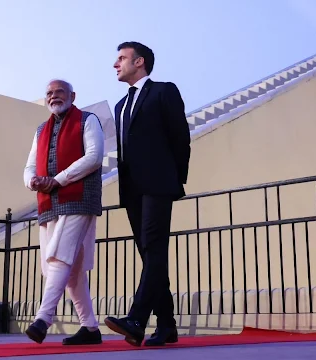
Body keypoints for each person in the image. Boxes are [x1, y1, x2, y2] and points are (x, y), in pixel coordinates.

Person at [103, 41, 191, 347]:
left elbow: (180, 137)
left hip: (158, 184)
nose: (116, 64)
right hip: (132, 191)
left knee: (153, 248)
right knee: (151, 255)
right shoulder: (120, 105)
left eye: (121, 59)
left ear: (139, 62)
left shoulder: (163, 91)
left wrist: (174, 179)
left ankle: (137, 319)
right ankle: (167, 325)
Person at [23, 79, 105, 345]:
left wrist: (58, 179)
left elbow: (94, 157)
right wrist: (32, 181)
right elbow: (30, 166)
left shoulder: (88, 120)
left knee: (57, 256)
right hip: (49, 201)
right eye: (49, 93)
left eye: (59, 92)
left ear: (72, 95)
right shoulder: (40, 130)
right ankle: (90, 328)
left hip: (78, 197)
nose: (53, 96)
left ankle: (42, 320)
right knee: (72, 268)